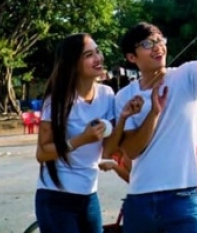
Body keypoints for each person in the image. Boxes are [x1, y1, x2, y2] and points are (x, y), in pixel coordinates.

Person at [114, 0, 197, 233]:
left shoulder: (186, 76)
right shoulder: (124, 97)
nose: (157, 46)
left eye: (160, 40)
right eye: (148, 43)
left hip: (183, 197)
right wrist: (154, 113)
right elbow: (130, 150)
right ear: (131, 56)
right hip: (140, 199)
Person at [35, 33, 143, 233]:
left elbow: (109, 150)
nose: (98, 58)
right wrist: (82, 139)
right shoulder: (57, 101)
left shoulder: (107, 95)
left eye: (98, 51)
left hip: (88, 194)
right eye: (88, 55)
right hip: (55, 197)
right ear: (73, 63)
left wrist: (123, 119)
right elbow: (42, 153)